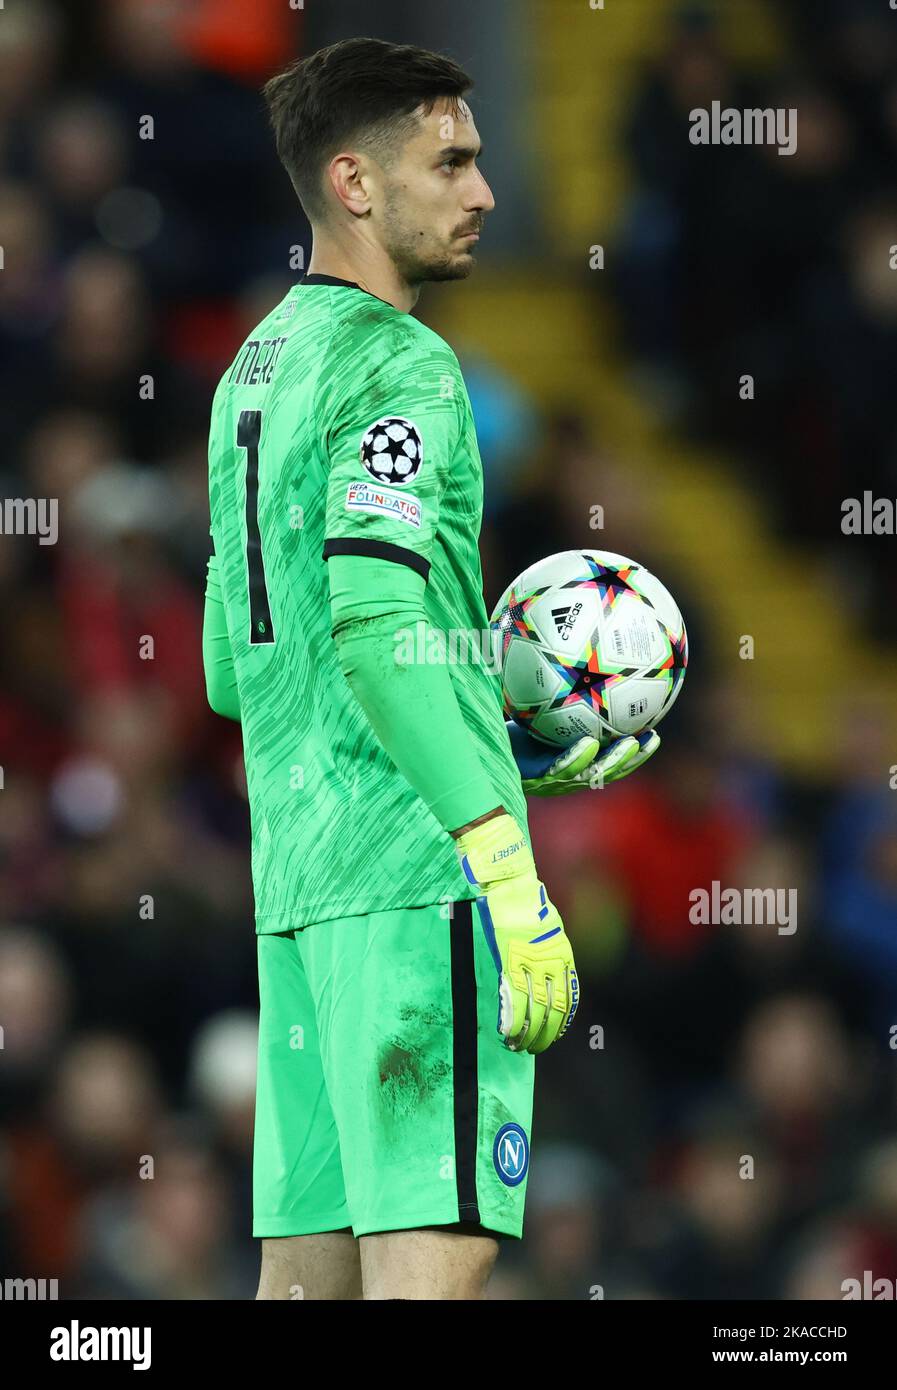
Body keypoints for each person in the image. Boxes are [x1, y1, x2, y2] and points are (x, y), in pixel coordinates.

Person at [202, 35, 657, 1302]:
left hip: (294, 892)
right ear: (353, 182)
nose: (486, 193)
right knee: (425, 1280)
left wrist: (493, 736)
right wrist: (498, 852)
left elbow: (233, 676)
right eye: (451, 160)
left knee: (301, 1285)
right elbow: (373, 621)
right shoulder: (405, 366)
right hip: (415, 887)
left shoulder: (251, 375)